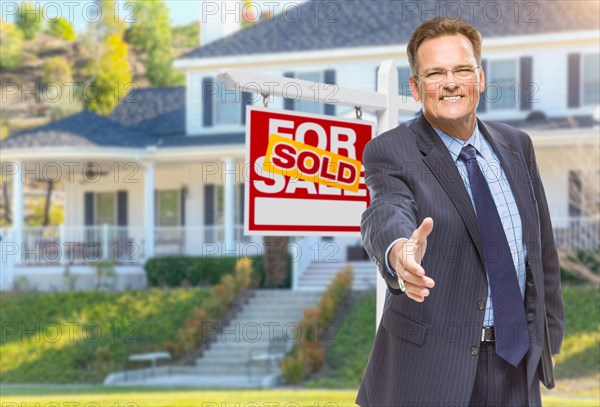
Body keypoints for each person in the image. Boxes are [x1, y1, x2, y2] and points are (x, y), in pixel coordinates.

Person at [356, 17, 564, 407]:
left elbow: (541, 249)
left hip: (516, 363)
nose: (450, 82)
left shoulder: (517, 145)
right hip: (431, 372)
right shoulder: (391, 150)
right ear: (416, 88)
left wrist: (548, 337)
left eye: (462, 70)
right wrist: (399, 253)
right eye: (435, 73)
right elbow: (385, 210)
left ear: (480, 79)